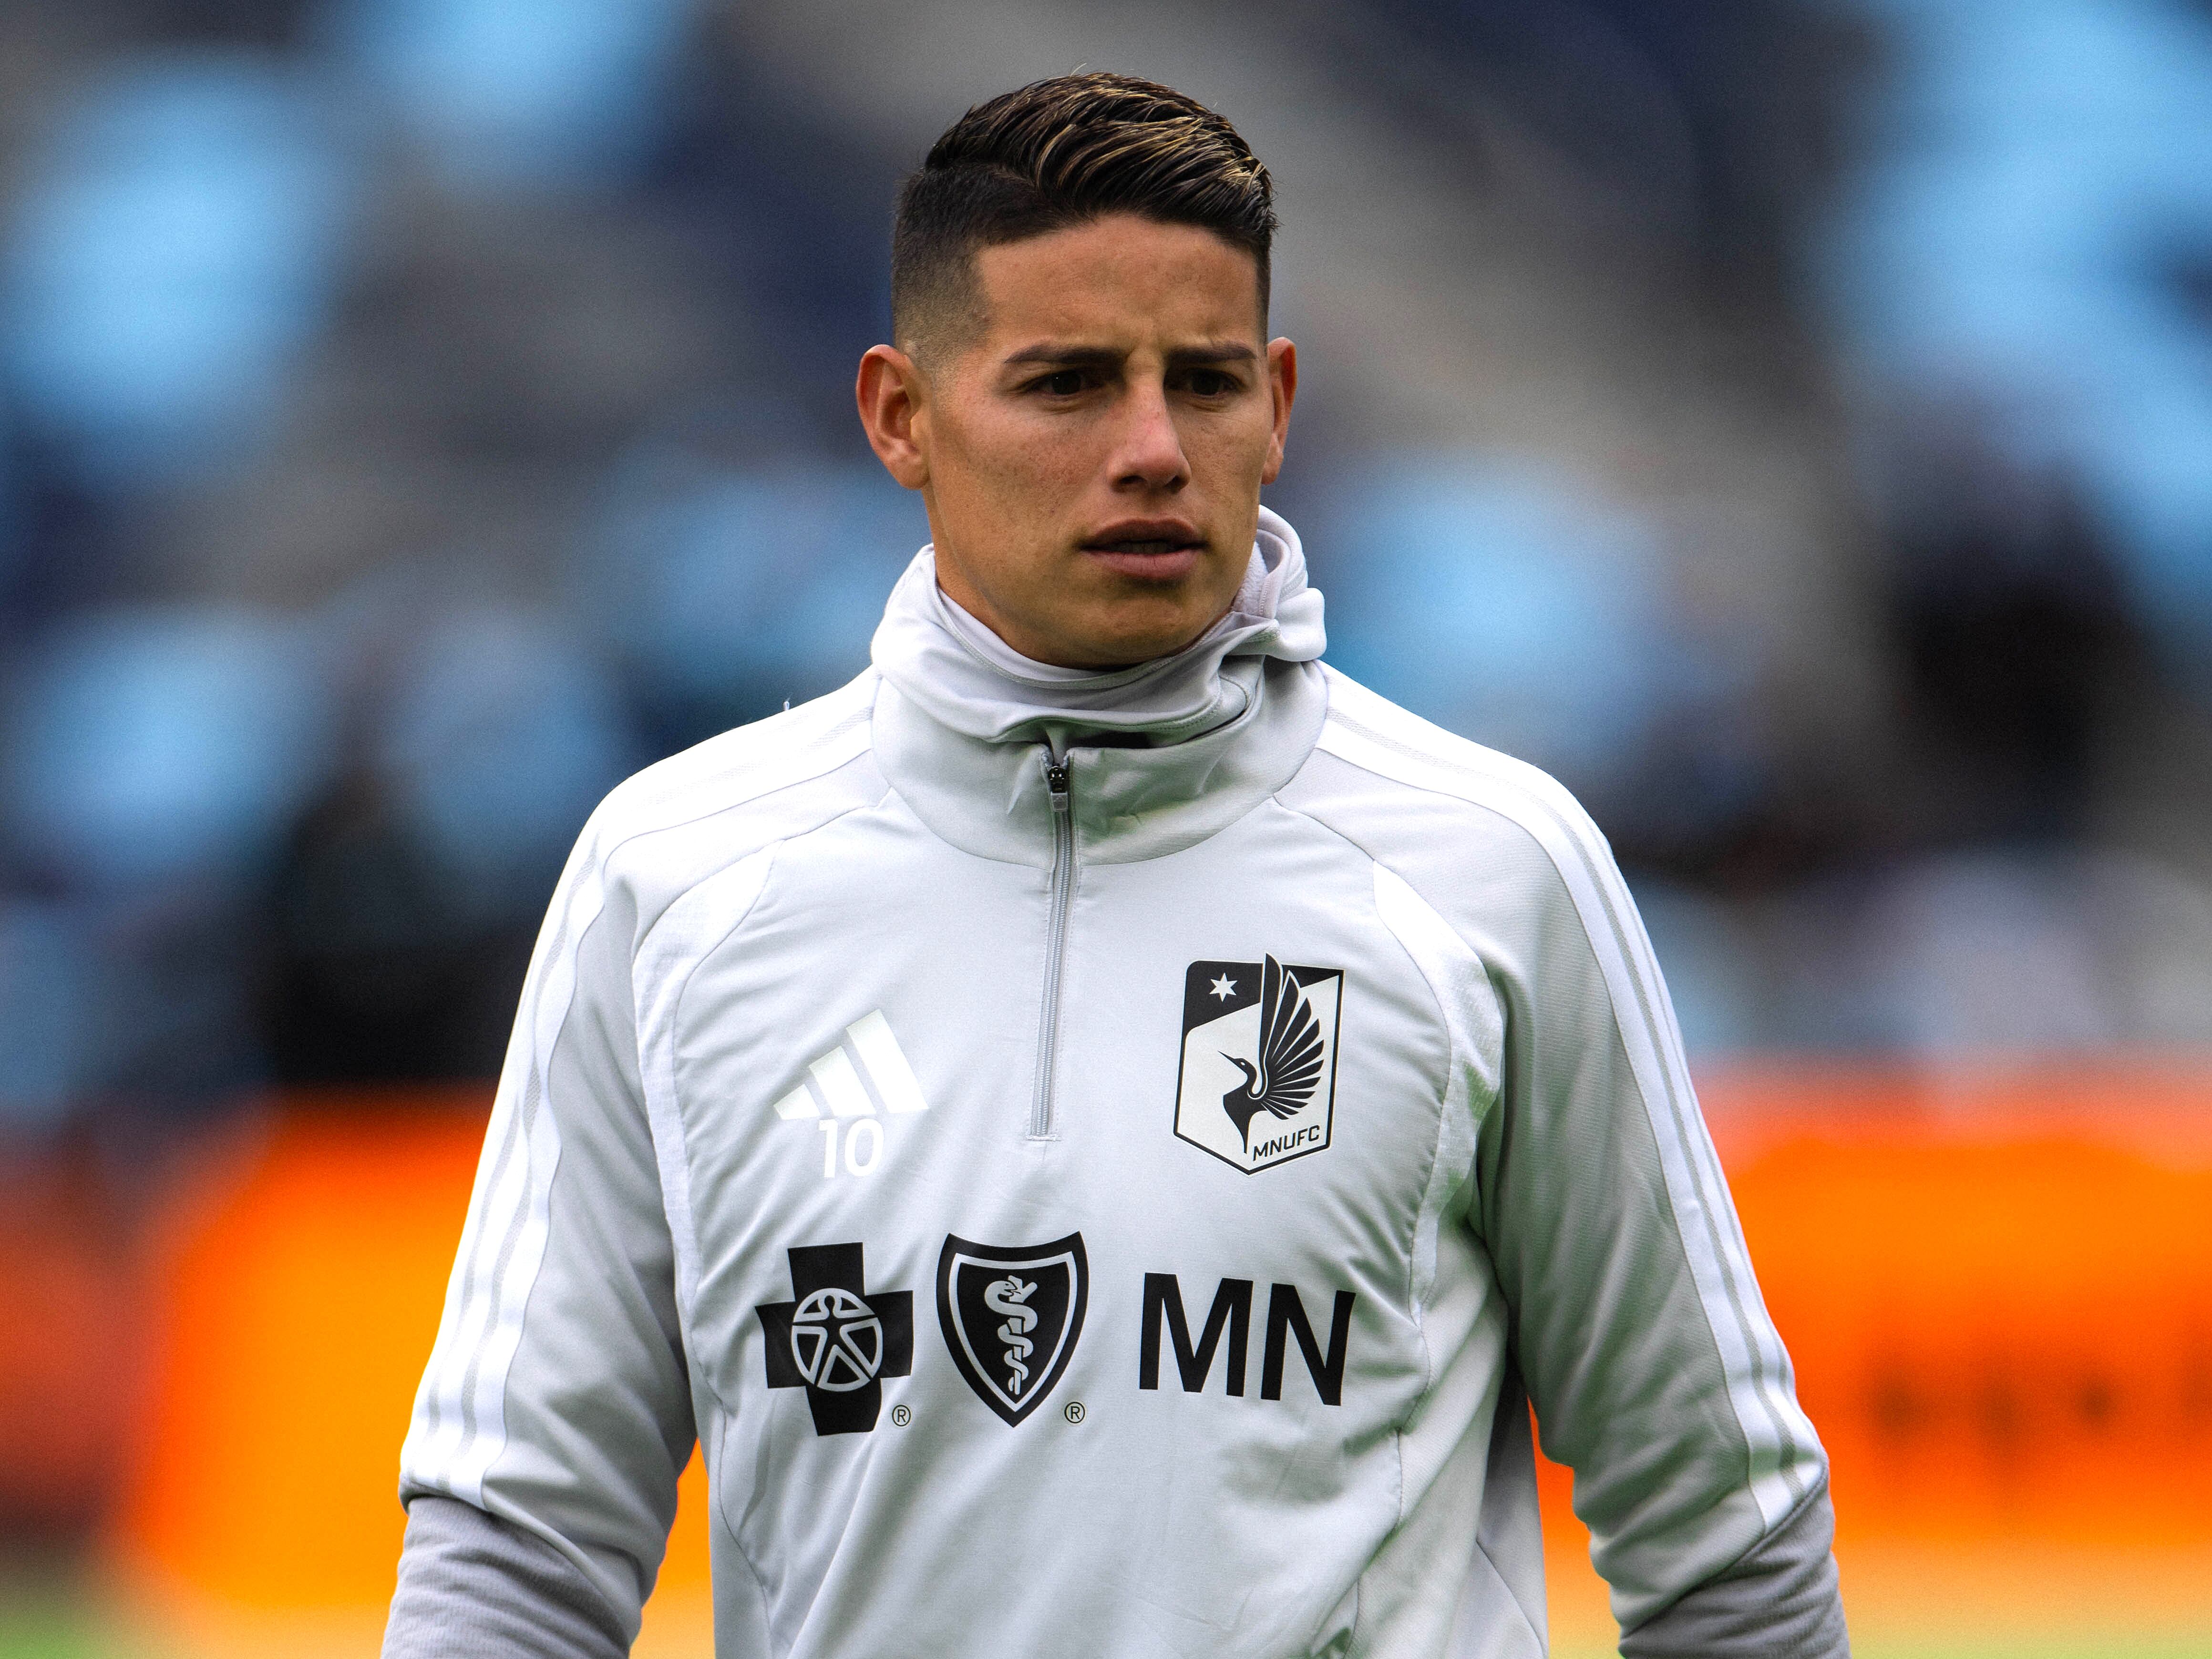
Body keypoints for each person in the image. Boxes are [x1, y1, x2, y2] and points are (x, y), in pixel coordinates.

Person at [383, 73, 1848, 1659]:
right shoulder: (671, 881)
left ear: (1279, 405)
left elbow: (1729, 1538)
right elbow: (520, 1543)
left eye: (1204, 383)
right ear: (900, 416)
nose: (1151, 448)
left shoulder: (1494, 871)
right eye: (1068, 383)